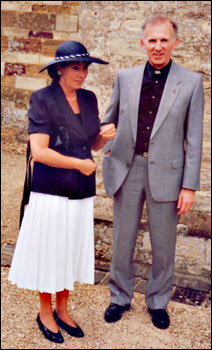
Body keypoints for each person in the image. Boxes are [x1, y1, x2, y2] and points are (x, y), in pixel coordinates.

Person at [8, 41, 116, 344]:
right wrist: (78, 164)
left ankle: (63, 309)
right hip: (51, 189)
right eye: (75, 68)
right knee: (50, 251)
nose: (82, 73)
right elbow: (39, 152)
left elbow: (90, 144)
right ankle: (45, 312)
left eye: (84, 68)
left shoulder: (90, 98)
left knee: (69, 250)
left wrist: (103, 139)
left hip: (80, 190)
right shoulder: (42, 99)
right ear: (59, 70)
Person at [101, 14, 204, 329]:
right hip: (128, 168)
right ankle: (119, 297)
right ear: (143, 43)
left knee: (163, 244)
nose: (158, 46)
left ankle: (158, 302)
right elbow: (110, 121)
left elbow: (195, 138)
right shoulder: (125, 77)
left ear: (175, 42)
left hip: (168, 174)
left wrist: (189, 186)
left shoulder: (191, 82)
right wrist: (106, 146)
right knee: (123, 240)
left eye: (164, 40)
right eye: (152, 40)